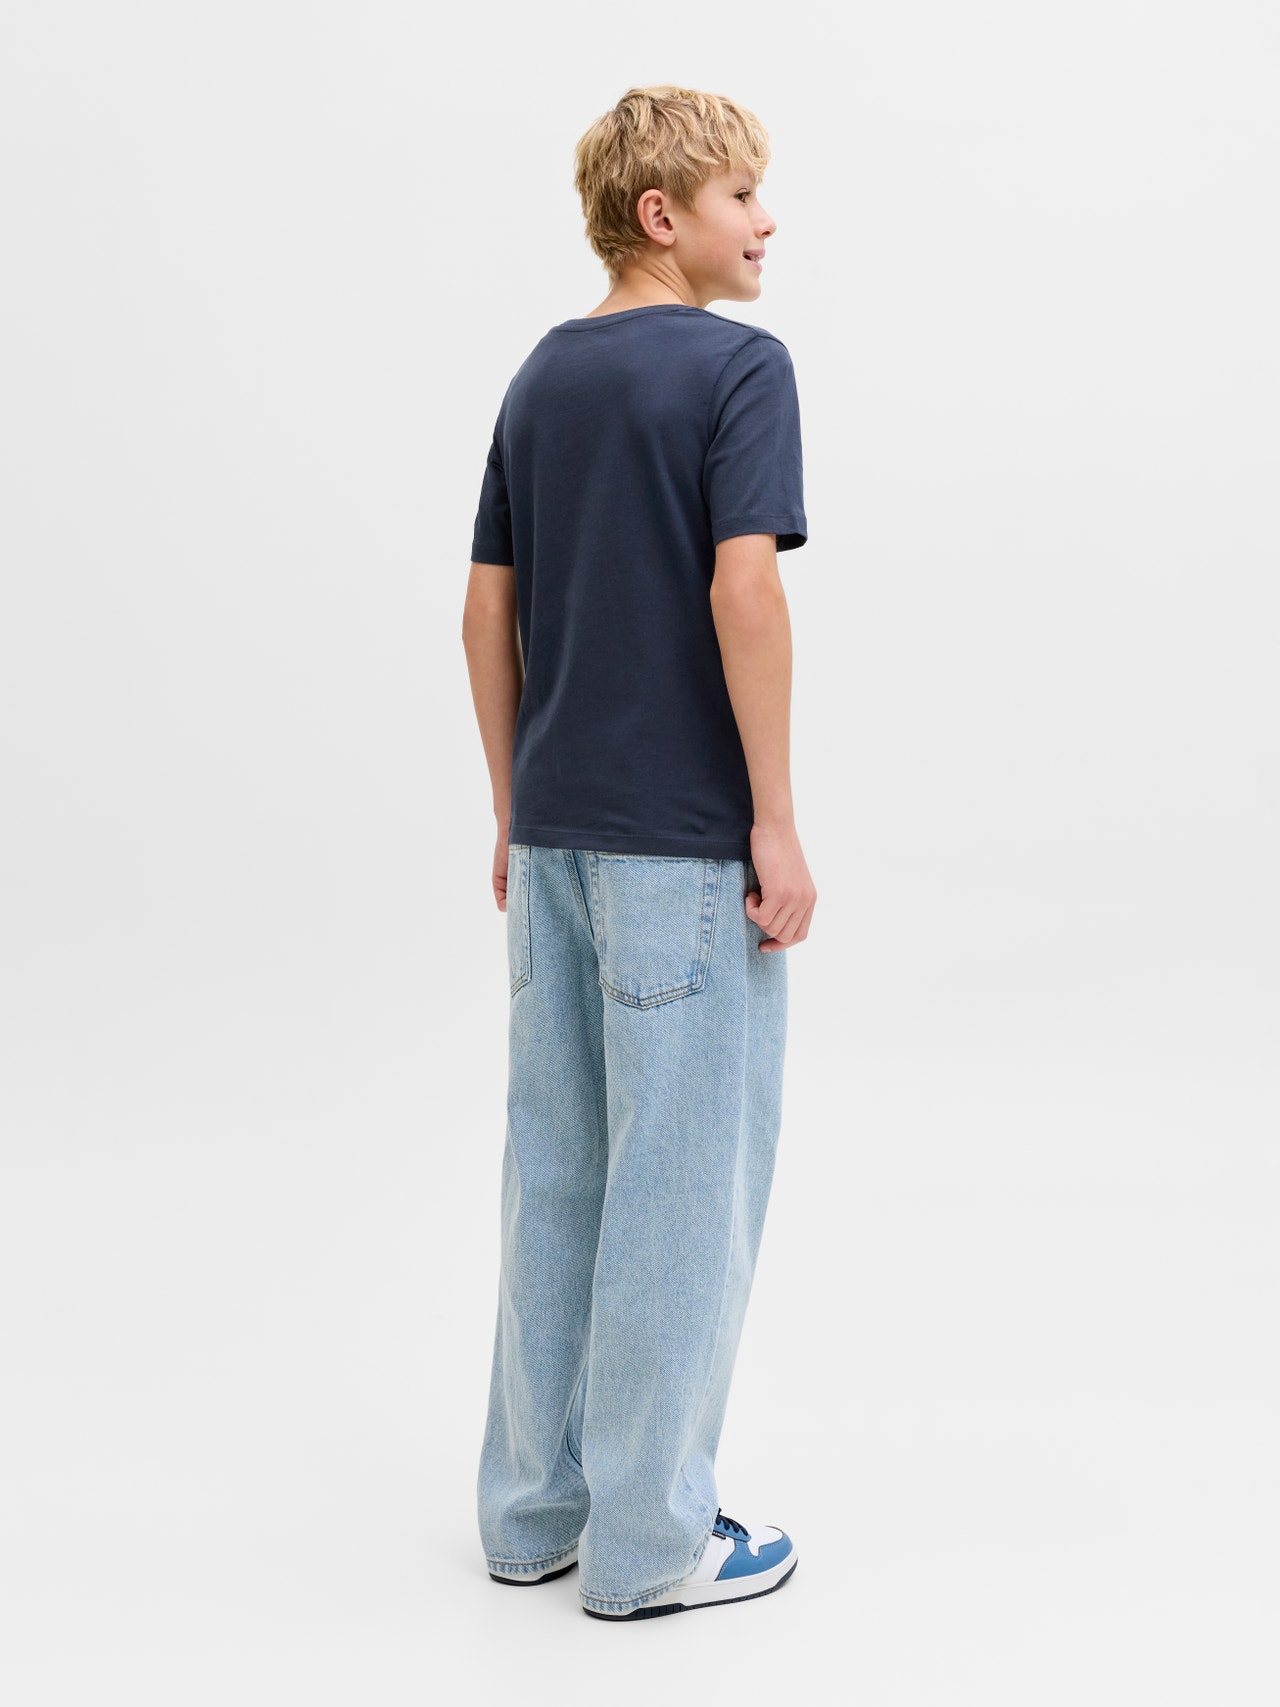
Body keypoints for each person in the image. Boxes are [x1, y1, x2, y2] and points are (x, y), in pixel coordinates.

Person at [461, 83, 817, 1622]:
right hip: (678, 847)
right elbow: (747, 592)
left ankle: (532, 1512)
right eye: (744, 195)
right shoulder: (740, 368)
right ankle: (652, 1544)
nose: (768, 221)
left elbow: (485, 610)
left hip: (552, 840)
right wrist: (774, 817)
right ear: (662, 215)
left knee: (557, 1171)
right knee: (680, 1184)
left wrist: (510, 803)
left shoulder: (541, 377)